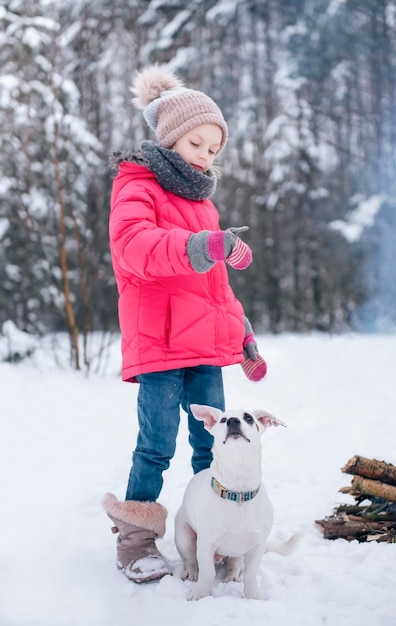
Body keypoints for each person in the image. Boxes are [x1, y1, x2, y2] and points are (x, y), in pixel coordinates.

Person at [102, 64, 267, 584]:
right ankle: (136, 541)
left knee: (209, 445)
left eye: (213, 149)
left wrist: (242, 336)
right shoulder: (137, 186)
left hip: (202, 345)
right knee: (156, 444)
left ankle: (209, 534)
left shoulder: (203, 204)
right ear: (171, 137)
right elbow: (133, 249)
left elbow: (216, 288)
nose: (205, 155)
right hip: (159, 342)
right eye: (196, 142)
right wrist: (200, 246)